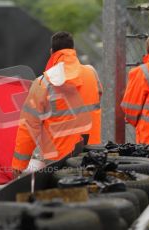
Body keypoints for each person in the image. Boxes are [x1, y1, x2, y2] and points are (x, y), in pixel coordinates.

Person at [11, 31, 102, 178]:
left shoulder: (42, 83)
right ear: (73, 50)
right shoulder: (91, 74)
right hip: (91, 153)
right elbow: (98, 96)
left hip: (58, 159)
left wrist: (18, 165)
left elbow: (29, 126)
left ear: (52, 52)